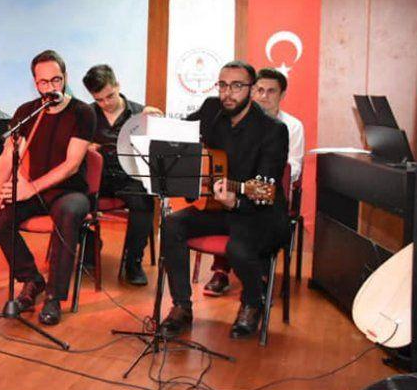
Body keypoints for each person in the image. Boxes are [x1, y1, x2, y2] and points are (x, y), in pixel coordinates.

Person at [160, 60, 289, 339]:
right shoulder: (211, 110)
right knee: (171, 225)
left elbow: (266, 187)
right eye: (222, 85)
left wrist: (237, 201)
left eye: (236, 86)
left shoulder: (273, 130)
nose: (227, 93)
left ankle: (252, 303)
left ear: (252, 90)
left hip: (257, 211)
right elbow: (180, 134)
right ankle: (181, 306)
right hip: (216, 205)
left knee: (238, 249)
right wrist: (157, 121)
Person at [0, 50, 95, 326]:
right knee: (0, 218)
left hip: (70, 191)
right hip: (33, 190)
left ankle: (54, 298)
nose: (51, 87)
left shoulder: (82, 112)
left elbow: (71, 165)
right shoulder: (27, 112)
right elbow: (7, 157)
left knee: (68, 213)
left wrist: (30, 187)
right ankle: (32, 280)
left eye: (56, 80)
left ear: (65, 77)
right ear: (35, 83)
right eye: (43, 82)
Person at [202, 67, 305, 297]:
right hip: (232, 190)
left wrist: (269, 172)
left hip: (269, 193)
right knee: (221, 207)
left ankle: (258, 280)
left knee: (254, 219)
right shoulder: (231, 119)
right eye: (260, 90)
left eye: (271, 91)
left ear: (282, 95)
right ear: (252, 91)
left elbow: (294, 167)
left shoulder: (291, 126)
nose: (264, 96)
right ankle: (221, 271)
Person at [81, 64, 161, 286]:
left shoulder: (140, 113)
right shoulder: (87, 115)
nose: (106, 103)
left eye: (110, 96)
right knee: (71, 199)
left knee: (144, 201)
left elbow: (157, 148)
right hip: (97, 179)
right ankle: (90, 245)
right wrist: (86, 147)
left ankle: (133, 262)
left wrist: (156, 123)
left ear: (117, 85)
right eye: (99, 100)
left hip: (129, 178)